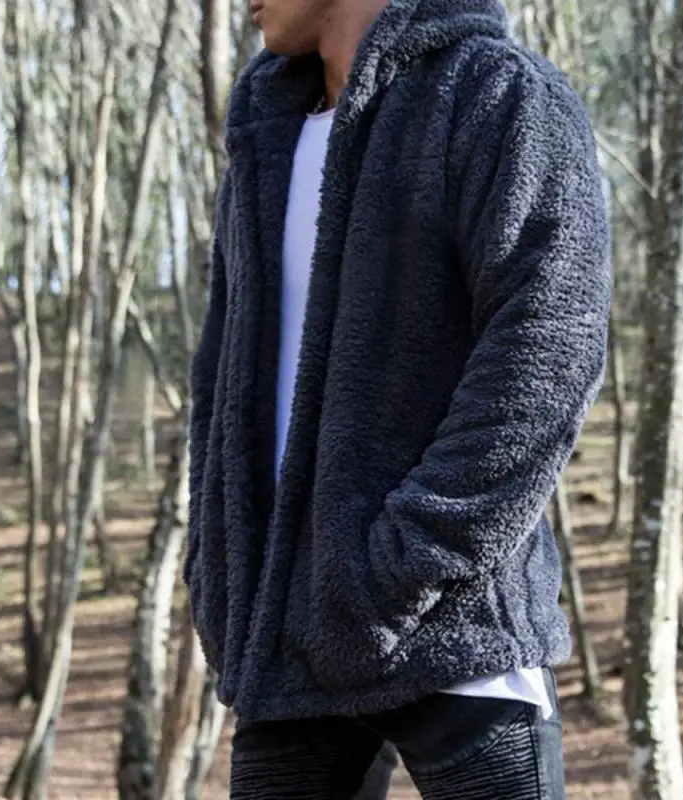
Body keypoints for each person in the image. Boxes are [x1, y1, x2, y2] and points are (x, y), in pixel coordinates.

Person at [184, 0, 611, 796]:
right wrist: (219, 571)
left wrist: (405, 567)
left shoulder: (497, 94)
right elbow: (221, 381)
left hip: (457, 632)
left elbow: (550, 344)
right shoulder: (265, 140)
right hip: (287, 648)